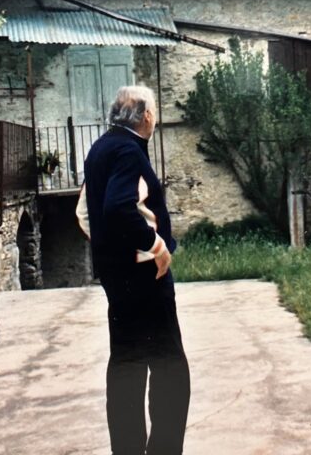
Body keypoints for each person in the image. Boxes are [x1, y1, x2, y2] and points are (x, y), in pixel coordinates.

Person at [76, 85, 190, 455]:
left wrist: (111, 250)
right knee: (170, 369)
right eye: (153, 112)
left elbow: (83, 213)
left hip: (117, 280)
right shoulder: (129, 151)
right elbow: (118, 208)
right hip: (145, 280)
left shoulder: (99, 149)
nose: (154, 117)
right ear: (145, 117)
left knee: (126, 365)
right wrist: (154, 246)